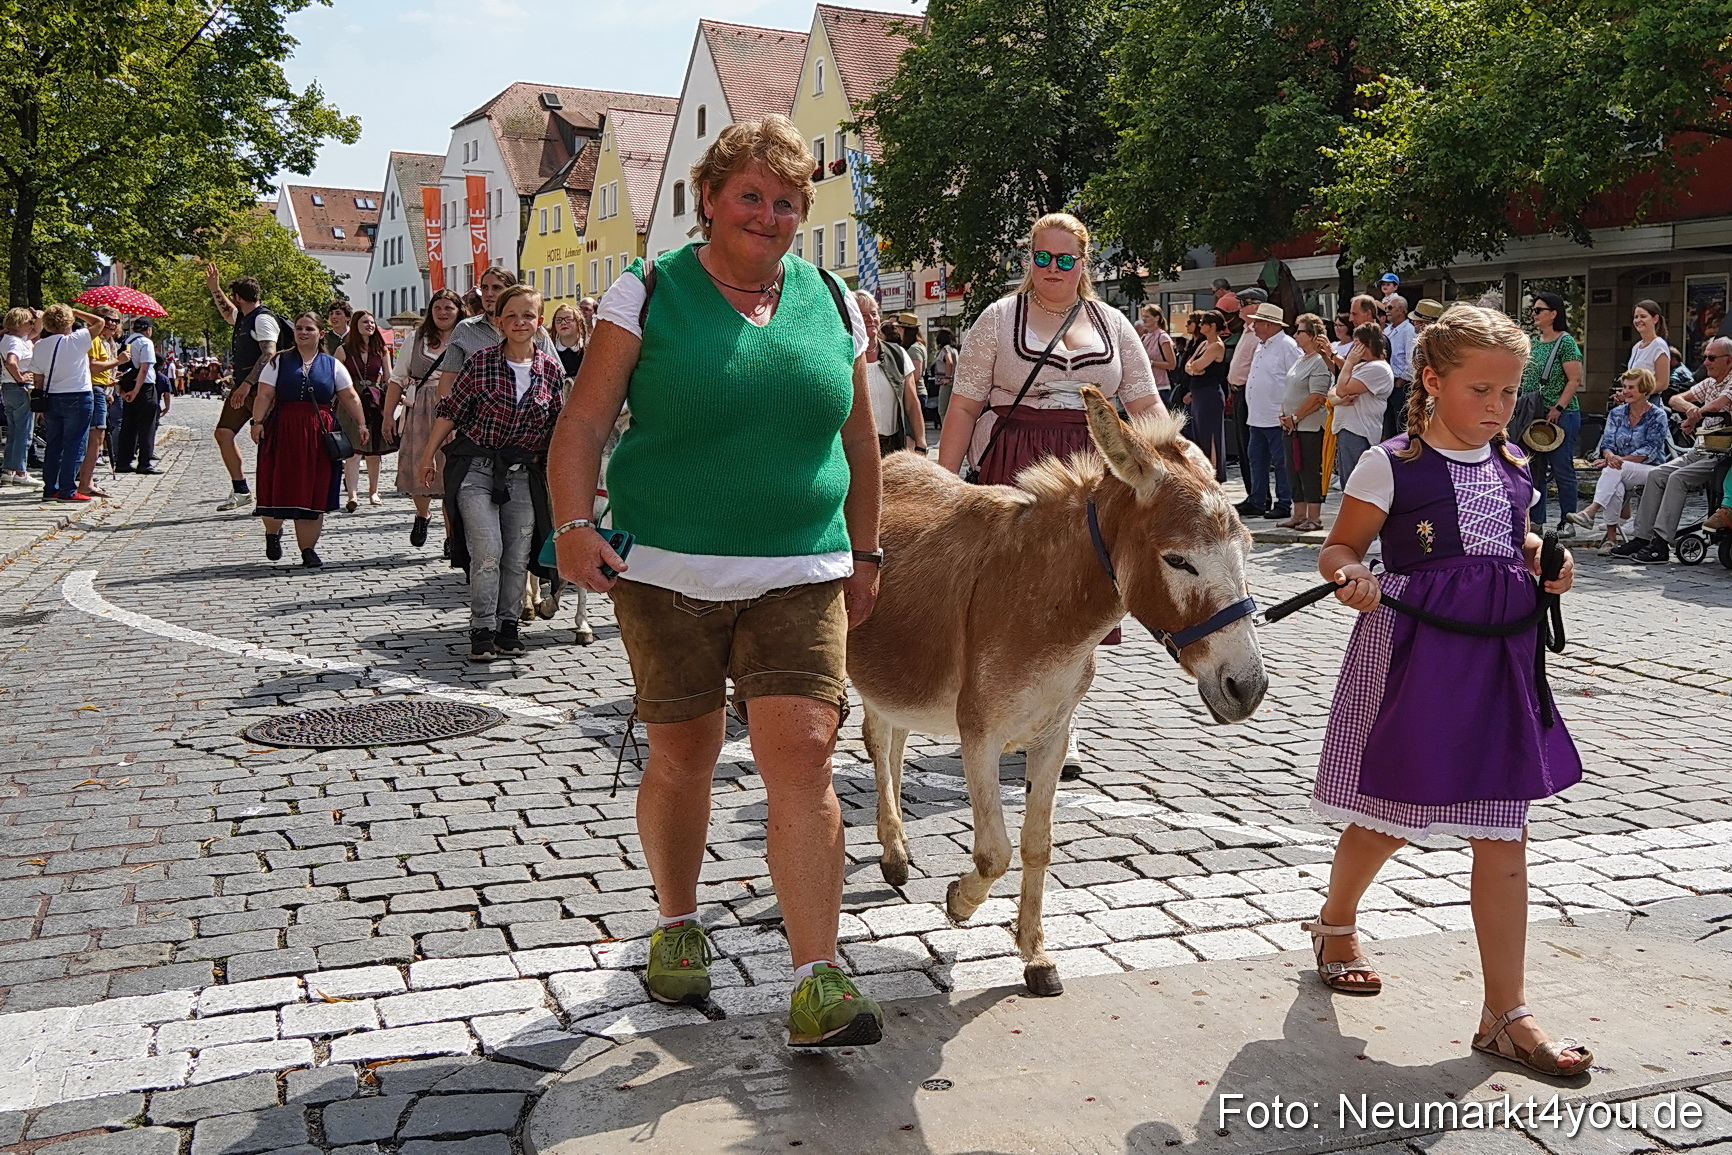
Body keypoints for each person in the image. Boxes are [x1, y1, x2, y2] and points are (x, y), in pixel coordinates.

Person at [547, 114, 887, 1049]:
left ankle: (818, 978)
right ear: (708, 199)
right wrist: (574, 526)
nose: (769, 215)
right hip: (667, 574)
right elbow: (582, 424)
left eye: (786, 202)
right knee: (684, 754)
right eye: (751, 196)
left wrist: (866, 551)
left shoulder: (835, 300)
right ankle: (676, 922)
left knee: (806, 756)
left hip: (803, 568)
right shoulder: (647, 291)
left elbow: (859, 439)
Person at [1308, 303, 1591, 1078]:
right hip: (1416, 658)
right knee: (1388, 817)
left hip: (1499, 662)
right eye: (1482, 391)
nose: (1500, 408)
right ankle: (1335, 923)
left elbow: (1514, 539)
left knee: (1504, 832)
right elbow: (1339, 546)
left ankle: (1507, 1011)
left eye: (1509, 393)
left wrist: (1543, 560)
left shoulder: (1512, 467)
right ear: (1431, 381)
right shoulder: (1390, 464)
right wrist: (1350, 575)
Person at [940, 212, 1164, 484]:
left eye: (1065, 260)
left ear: (1083, 263)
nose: (1053, 267)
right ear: (1030, 259)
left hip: (1098, 465)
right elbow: (964, 407)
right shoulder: (998, 318)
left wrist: (1176, 466)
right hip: (1014, 460)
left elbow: (1146, 405)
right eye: (1043, 257)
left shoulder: (1113, 322)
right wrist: (944, 484)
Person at [420, 284, 564, 660]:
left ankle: (508, 626)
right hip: (476, 468)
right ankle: (481, 628)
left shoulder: (549, 370)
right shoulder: (482, 361)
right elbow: (450, 410)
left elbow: (560, 427)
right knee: (488, 549)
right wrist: (427, 455)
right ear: (499, 322)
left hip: (521, 472)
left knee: (517, 555)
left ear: (540, 322)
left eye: (528, 315)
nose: (520, 322)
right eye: (512, 315)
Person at [250, 312, 369, 568]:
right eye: (299, 329)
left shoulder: (332, 365)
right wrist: (257, 423)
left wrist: (361, 423)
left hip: (318, 432)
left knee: (312, 488)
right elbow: (264, 395)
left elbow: (349, 396)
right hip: (283, 429)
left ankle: (308, 550)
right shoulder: (278, 362)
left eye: (309, 329)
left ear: (320, 333)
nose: (303, 333)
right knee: (278, 482)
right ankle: (273, 532)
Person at [1611, 335, 1732, 562]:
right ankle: (1642, 537)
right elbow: (1675, 398)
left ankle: (1661, 543)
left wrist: (1699, 413)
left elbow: (1720, 404)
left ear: (1729, 360)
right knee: (1657, 475)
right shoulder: (1710, 382)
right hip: (1701, 449)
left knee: (1677, 478)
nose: (1706, 362)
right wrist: (1690, 410)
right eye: (1704, 357)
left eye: (1712, 357)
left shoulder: (1731, 381)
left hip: (1722, 453)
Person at [384, 288, 463, 549]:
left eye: (449, 308)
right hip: (422, 408)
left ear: (458, 311)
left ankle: (452, 537)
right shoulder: (416, 338)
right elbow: (397, 379)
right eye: (438, 307)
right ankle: (422, 515)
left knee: (453, 475)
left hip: (456, 409)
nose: (443, 312)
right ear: (430, 311)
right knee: (421, 464)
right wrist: (387, 416)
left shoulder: (466, 338)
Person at [1566, 368, 1669, 549]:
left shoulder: (1658, 416)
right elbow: (1607, 443)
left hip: (1650, 469)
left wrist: (1612, 460)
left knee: (1613, 469)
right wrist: (1609, 456)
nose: (1625, 391)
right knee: (1616, 483)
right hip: (1620, 468)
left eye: (1631, 387)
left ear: (1644, 390)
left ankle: (1592, 511)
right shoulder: (1617, 414)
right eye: (1624, 387)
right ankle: (1611, 539)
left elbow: (1648, 451)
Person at [205, 266, 280, 510]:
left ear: (239, 297)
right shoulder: (244, 317)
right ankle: (241, 490)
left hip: (262, 391)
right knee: (223, 433)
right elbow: (228, 313)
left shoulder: (263, 319)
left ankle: (272, 495)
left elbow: (269, 353)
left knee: (267, 442)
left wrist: (247, 384)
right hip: (243, 388)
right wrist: (215, 289)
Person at [29, 304, 110, 502]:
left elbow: (38, 378)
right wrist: (76, 312)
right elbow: (100, 322)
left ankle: (50, 488)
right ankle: (67, 489)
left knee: (54, 444)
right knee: (75, 444)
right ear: (69, 322)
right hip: (78, 395)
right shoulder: (77, 339)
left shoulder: (40, 345)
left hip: (52, 397)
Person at [1519, 292, 1584, 535]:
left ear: (1553, 313)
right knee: (1535, 469)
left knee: (1561, 468)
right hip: (1534, 412)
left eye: (1539, 310)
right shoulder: (1535, 342)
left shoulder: (1565, 342)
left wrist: (1558, 408)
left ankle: (1568, 520)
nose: (1534, 314)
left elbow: (1574, 380)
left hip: (1560, 415)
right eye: (1533, 310)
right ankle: (1536, 520)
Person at [1239, 303, 1300, 519]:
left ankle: (1284, 502)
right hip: (1257, 416)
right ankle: (1258, 499)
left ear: (1268, 323)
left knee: (1281, 462)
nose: (1253, 326)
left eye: (1257, 322)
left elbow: (1297, 380)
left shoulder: (1288, 346)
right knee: (1256, 459)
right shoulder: (1261, 345)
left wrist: (1290, 412)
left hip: (1276, 417)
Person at [1279, 313, 1333, 531]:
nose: (1295, 335)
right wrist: (1285, 413)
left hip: (1309, 427)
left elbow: (1318, 396)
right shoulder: (1301, 359)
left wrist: (1295, 417)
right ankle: (1298, 514)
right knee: (1292, 470)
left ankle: (1314, 517)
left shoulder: (1319, 362)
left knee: (1310, 470)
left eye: (1299, 331)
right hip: (1292, 427)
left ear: (1312, 335)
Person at [856, 292, 925, 457]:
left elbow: (912, 404)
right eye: (863, 315)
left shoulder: (898, 354)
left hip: (892, 448)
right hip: (854, 451)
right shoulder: (843, 356)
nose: (870, 319)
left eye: (873, 314)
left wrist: (921, 444)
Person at [336, 309, 393, 507]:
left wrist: (397, 397)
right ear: (355, 326)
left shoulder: (381, 349)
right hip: (350, 401)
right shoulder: (344, 350)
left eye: (371, 322)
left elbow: (389, 376)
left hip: (374, 400)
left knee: (374, 451)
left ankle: (373, 492)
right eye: (364, 322)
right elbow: (335, 378)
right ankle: (352, 495)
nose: (369, 325)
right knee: (354, 450)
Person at [1329, 323, 1394, 487]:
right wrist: (1336, 400)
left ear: (1369, 344)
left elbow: (1342, 389)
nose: (1353, 347)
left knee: (1355, 485)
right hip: (1347, 428)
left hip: (1359, 431)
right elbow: (1333, 391)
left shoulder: (1378, 368)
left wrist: (1349, 362)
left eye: (1357, 342)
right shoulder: (1362, 366)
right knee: (1347, 483)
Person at [78, 309, 126, 498]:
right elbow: (92, 367)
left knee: (98, 437)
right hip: (93, 389)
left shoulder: (109, 342)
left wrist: (111, 383)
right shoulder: (94, 339)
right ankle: (85, 483)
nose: (112, 324)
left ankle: (87, 480)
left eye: (116, 320)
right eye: (108, 319)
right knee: (96, 437)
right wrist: (117, 362)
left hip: (102, 389)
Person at [1181, 309, 1229, 481]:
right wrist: (1194, 369)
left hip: (1210, 395)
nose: (1200, 325)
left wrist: (1194, 368)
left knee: (1211, 435)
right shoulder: (1203, 344)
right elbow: (1190, 365)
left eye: (1203, 323)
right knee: (1199, 432)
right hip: (1198, 393)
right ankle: (1205, 471)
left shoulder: (1217, 345)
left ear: (1213, 326)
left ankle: (1214, 474)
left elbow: (1198, 365)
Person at [114, 319, 164, 475]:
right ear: (147, 329)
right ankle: (144, 462)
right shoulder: (145, 343)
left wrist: (122, 389)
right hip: (143, 388)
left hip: (127, 385)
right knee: (147, 426)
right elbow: (144, 368)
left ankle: (123, 461)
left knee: (129, 425)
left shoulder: (127, 341)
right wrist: (136, 390)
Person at [2, 307, 39, 485]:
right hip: (19, 388)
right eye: (29, 322)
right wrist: (21, 378)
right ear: (20, 323)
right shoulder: (16, 342)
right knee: (24, 432)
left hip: (7, 388)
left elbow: (38, 330)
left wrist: (37, 317)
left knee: (14, 431)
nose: (31, 326)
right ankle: (20, 471)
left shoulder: (8, 339)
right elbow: (11, 361)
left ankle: (8, 469)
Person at [1381, 295, 1416, 440]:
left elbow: (1411, 359)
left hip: (1400, 385)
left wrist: (1400, 381)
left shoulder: (1409, 330)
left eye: (1390, 307)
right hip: (1387, 383)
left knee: (1399, 425)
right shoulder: (1387, 331)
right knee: (1388, 426)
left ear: (1401, 310)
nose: (1386, 311)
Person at [1626, 299, 1671, 389]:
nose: (1638, 320)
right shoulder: (1636, 347)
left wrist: (1638, 394)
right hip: (1634, 401)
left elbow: (1663, 384)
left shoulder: (1659, 345)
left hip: (1650, 400)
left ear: (1655, 319)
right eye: (1636, 317)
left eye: (1643, 316)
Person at [1139, 304, 1177, 403]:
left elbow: (1171, 365)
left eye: (1147, 316)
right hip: (1146, 387)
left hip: (1162, 388)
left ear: (1157, 318)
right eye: (1143, 316)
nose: (1144, 319)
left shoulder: (1163, 337)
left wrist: (1151, 363)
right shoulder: (1144, 337)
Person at [549, 303, 587, 380]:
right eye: (558, 320)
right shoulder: (548, 351)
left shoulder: (589, 350)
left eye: (568, 319)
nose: (563, 323)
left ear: (579, 324)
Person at [932, 329, 958, 418]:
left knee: (942, 410)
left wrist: (948, 377)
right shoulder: (954, 349)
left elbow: (949, 361)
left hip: (947, 382)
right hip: (955, 382)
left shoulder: (945, 349)